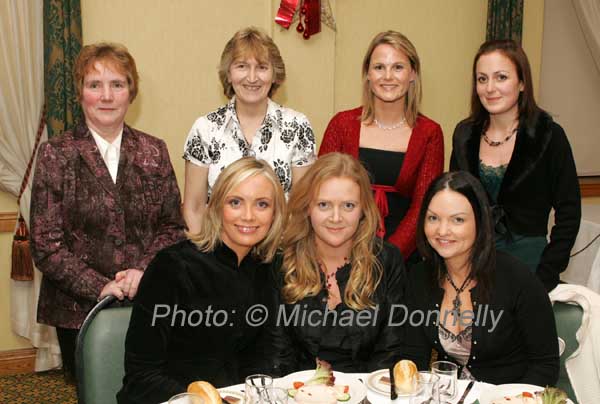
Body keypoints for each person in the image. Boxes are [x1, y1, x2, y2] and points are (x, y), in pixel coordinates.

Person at [29, 42, 185, 383]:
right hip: (77, 310)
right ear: (80, 93)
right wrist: (100, 286)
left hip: (149, 302)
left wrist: (142, 272)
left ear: (131, 92)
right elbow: (45, 243)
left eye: (117, 84)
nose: (106, 96)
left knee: (150, 389)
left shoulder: (154, 151)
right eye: (94, 85)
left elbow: (173, 227)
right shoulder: (56, 155)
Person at [117, 157, 286, 404]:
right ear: (216, 206)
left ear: (275, 213)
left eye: (262, 204)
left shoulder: (267, 268)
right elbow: (142, 374)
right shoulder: (172, 267)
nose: (248, 216)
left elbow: (264, 356)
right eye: (235, 202)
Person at [403, 171, 559, 386]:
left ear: (480, 220)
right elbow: (413, 356)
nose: (442, 230)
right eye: (433, 218)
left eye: (457, 220)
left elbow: (545, 365)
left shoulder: (517, 279)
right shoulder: (419, 277)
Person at [450, 39, 581, 291]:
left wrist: (547, 272)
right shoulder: (464, 135)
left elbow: (569, 213)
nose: (490, 88)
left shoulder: (549, 135)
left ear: (522, 83)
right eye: (482, 79)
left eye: (501, 77)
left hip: (530, 268)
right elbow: (455, 205)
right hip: (472, 265)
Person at [319, 31, 444, 263]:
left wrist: (388, 257)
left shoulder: (430, 133)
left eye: (398, 67)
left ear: (413, 74)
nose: (388, 76)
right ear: (367, 73)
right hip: (341, 252)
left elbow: (423, 206)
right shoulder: (341, 125)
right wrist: (347, 253)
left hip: (402, 259)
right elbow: (321, 196)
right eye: (379, 67)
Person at [276, 152, 406, 373]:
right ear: (308, 207)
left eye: (348, 206)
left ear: (363, 209)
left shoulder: (387, 260)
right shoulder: (284, 261)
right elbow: (277, 351)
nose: (336, 218)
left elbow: (391, 351)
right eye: (324, 205)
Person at [183, 27, 316, 234]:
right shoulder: (205, 129)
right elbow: (194, 208)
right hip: (217, 256)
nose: (252, 78)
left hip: (279, 254)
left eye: (262, 67)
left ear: (275, 74)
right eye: (242, 66)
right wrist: (202, 262)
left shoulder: (298, 126)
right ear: (228, 73)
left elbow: (301, 208)